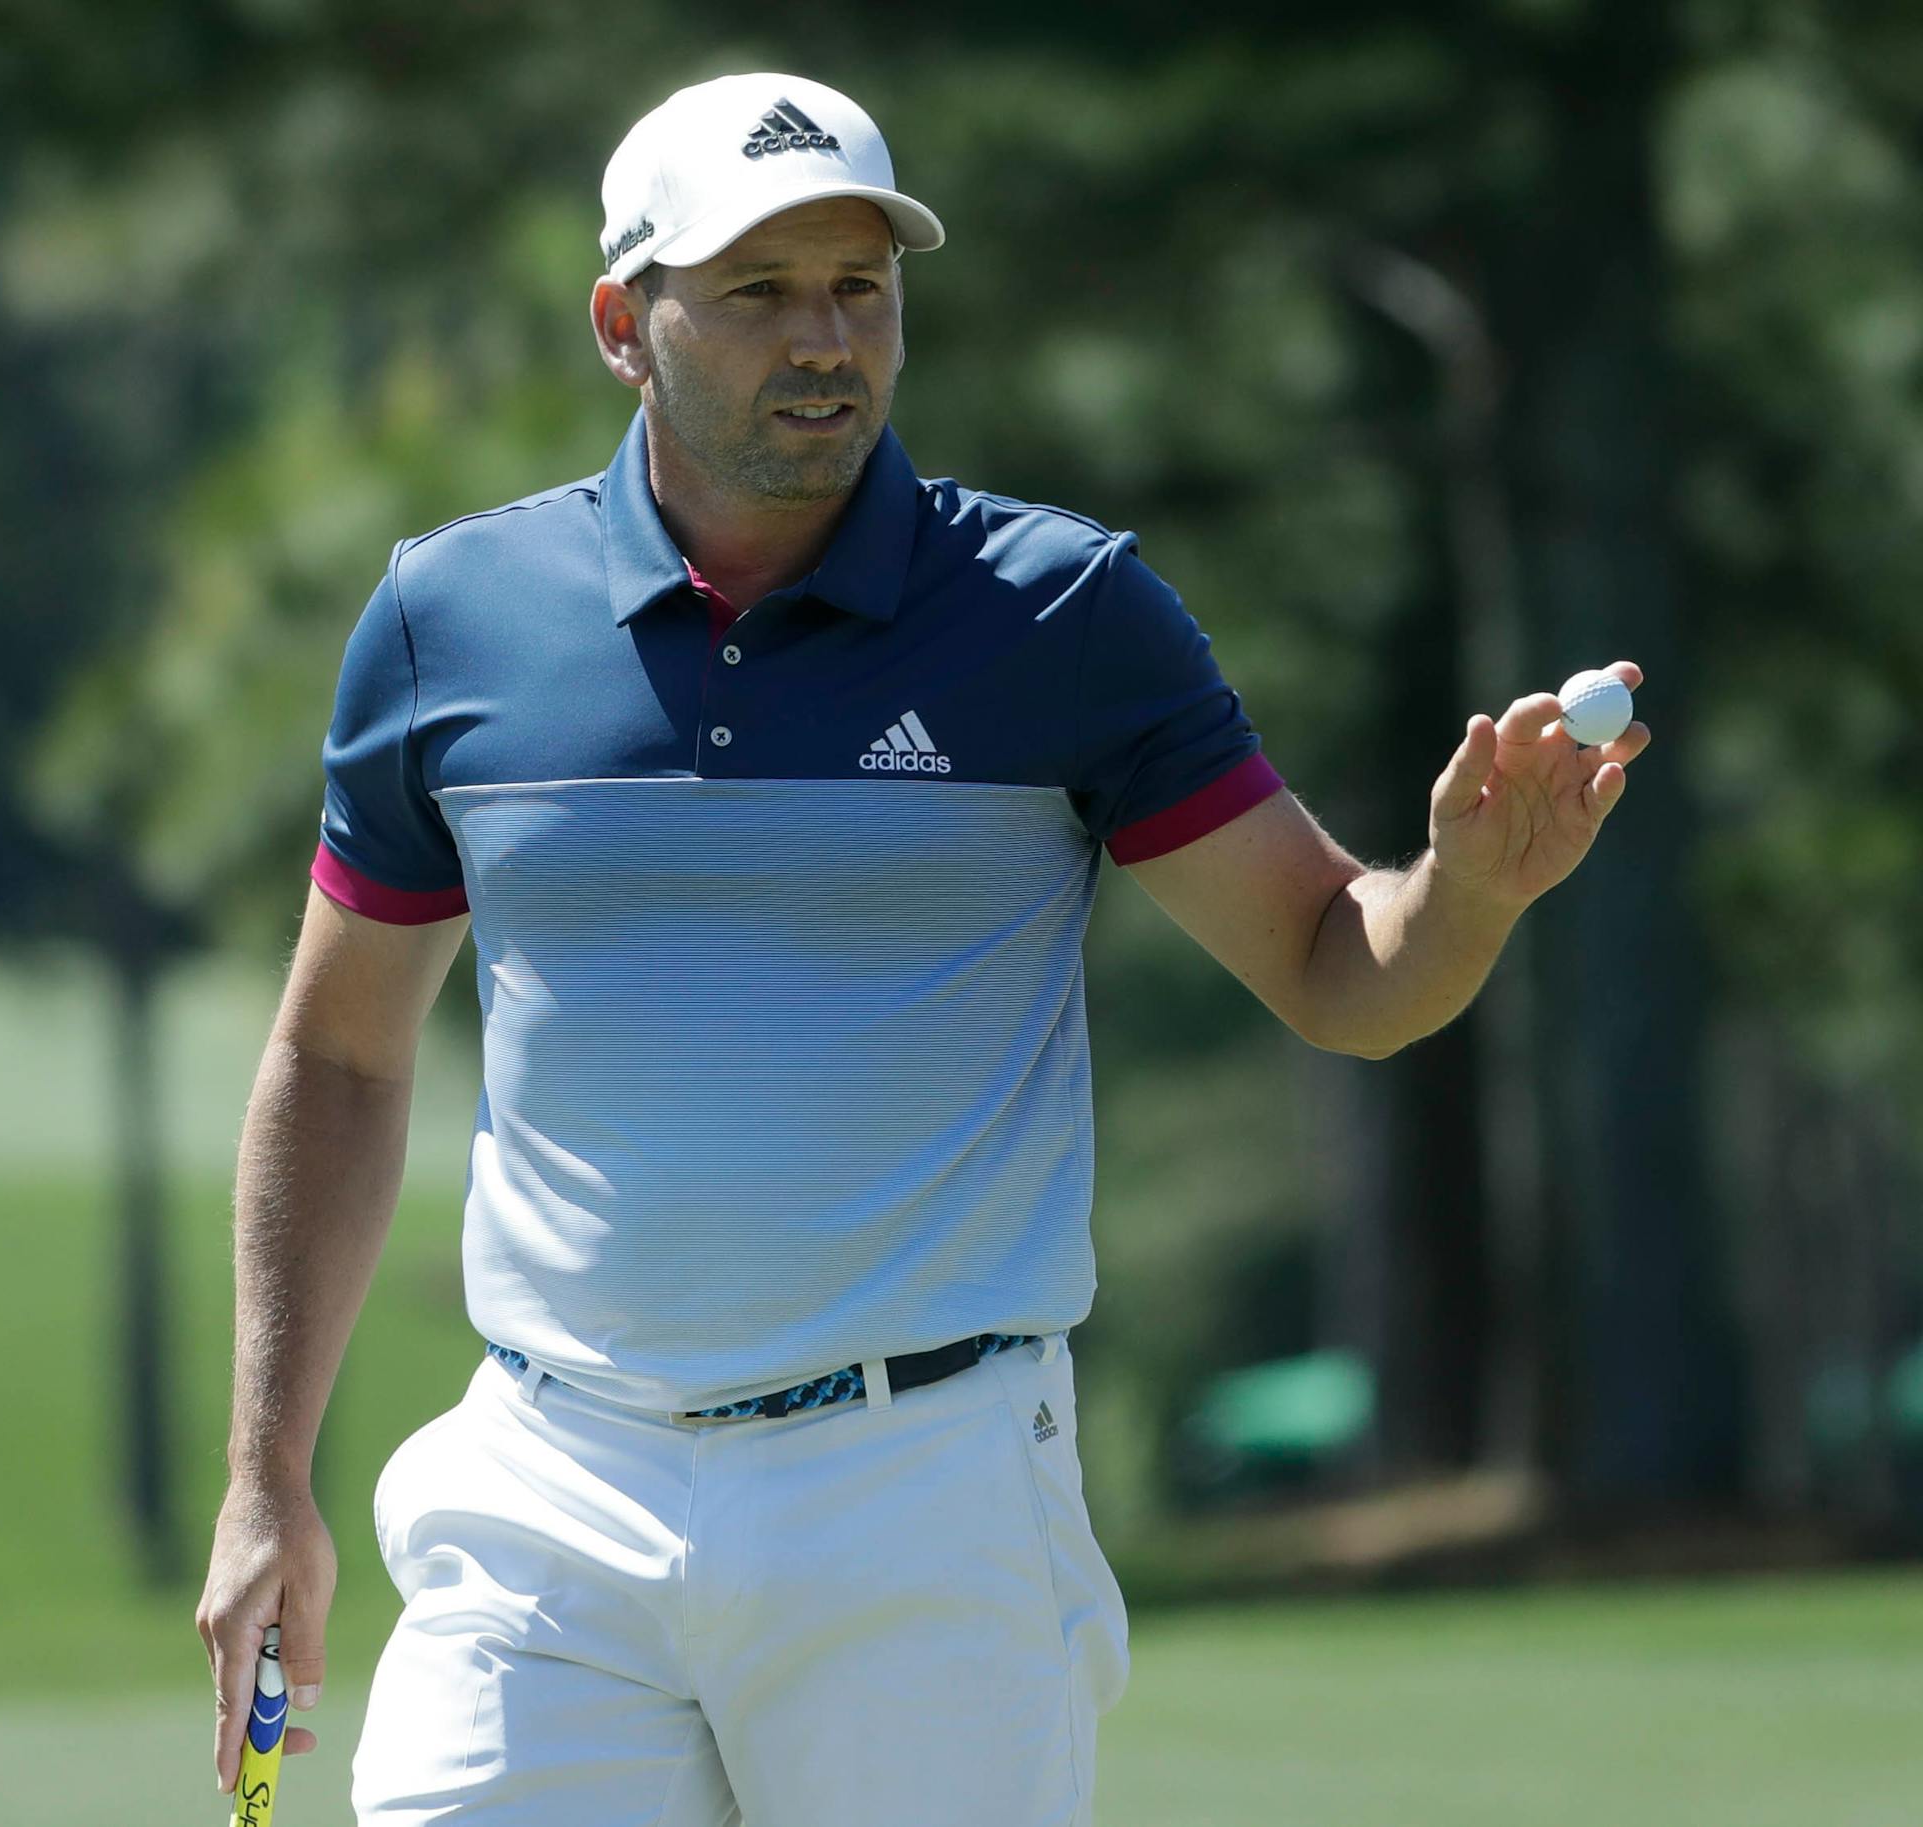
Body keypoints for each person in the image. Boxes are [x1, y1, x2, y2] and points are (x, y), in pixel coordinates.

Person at [195, 70, 1648, 1826]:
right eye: (757, 293)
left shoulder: (1060, 614)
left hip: (922, 1490)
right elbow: (338, 1058)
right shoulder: (450, 625)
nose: (825, 341)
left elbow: (1342, 969)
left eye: (860, 289)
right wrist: (267, 1475)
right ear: (621, 325)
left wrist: (1470, 892)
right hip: (549, 1491)